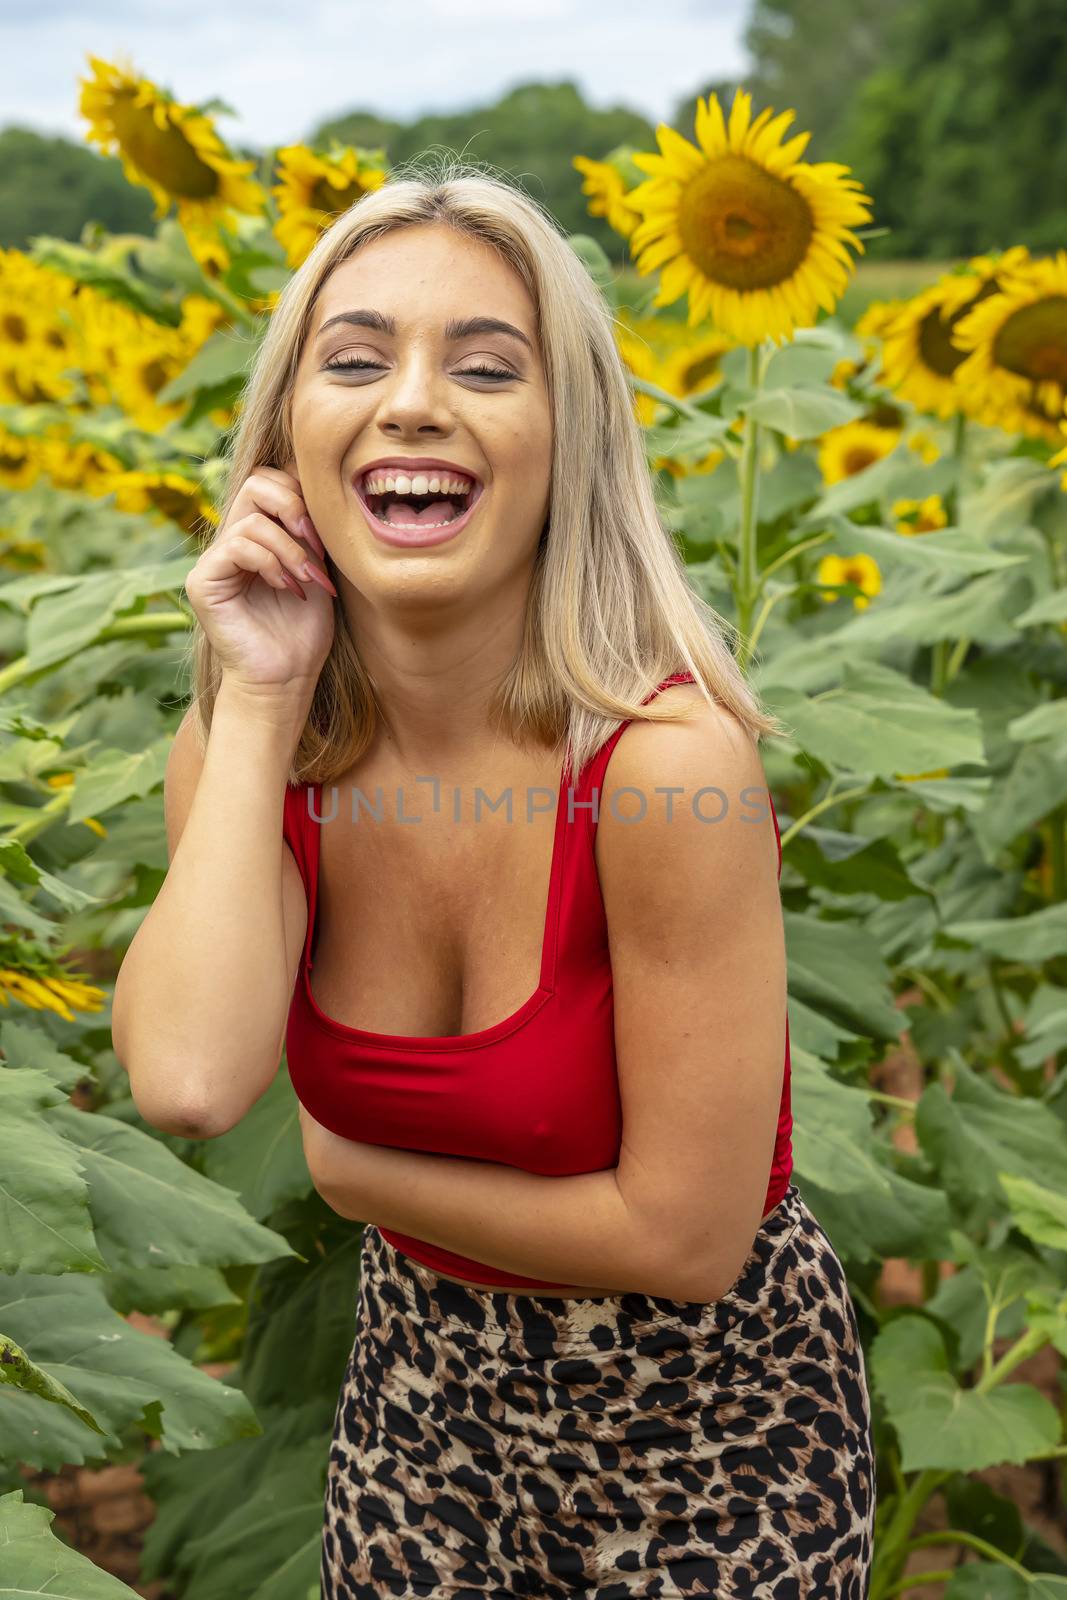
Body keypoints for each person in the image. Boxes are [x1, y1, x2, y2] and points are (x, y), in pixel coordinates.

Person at [112, 156, 875, 1598]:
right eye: (353, 360)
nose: (410, 401)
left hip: (716, 1443)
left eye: (485, 366)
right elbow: (190, 1080)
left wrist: (355, 1173)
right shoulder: (258, 748)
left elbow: (689, 1237)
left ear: (565, 439)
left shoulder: (664, 768)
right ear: (290, 437)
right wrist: (258, 704)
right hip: (420, 1408)